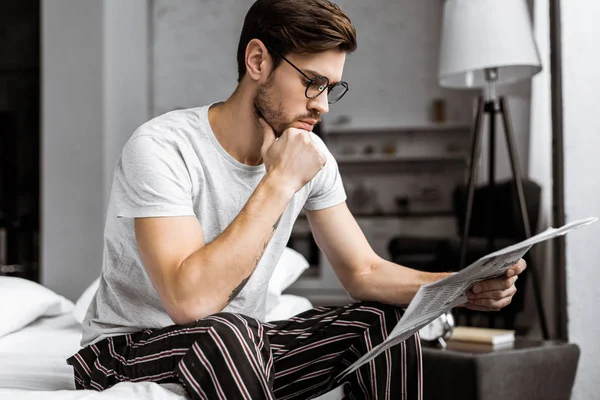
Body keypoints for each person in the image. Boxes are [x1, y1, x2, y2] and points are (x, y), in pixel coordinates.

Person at [67, 0, 526, 399]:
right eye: (313, 82)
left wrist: (460, 286)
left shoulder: (313, 157)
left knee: (381, 322)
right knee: (229, 329)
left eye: (331, 88)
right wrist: (280, 182)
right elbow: (190, 304)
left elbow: (363, 272)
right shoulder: (161, 147)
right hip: (125, 348)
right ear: (257, 60)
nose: (323, 105)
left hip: (241, 345)